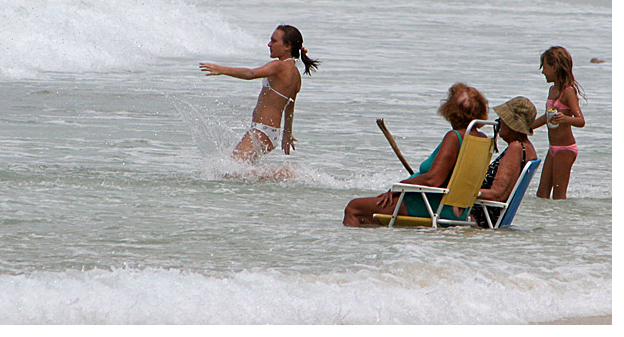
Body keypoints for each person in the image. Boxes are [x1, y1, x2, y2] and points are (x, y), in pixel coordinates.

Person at [343, 83, 489, 227]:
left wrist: (397, 187)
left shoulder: (455, 137)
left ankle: (350, 249)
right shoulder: (482, 140)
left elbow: (433, 180)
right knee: (370, 217)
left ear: (450, 110)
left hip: (431, 206)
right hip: (457, 210)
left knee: (354, 208)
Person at [199, 25, 319, 163]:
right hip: (269, 132)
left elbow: (251, 73)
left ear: (287, 46)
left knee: (232, 169)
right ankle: (280, 176)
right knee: (243, 171)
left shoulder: (279, 66)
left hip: (262, 131)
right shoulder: (296, 75)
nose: (269, 44)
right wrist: (286, 133)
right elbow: (290, 105)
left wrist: (222, 69)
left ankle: (286, 174)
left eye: (274, 41)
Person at [470, 97, 538, 228]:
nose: (499, 122)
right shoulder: (528, 148)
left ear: (511, 124)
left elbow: (498, 194)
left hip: (482, 215)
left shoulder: (516, 148)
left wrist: (463, 193)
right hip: (489, 212)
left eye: (503, 118)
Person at [533, 46, 585, 199]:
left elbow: (580, 120)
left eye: (544, 67)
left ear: (554, 67)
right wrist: (527, 127)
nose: (543, 71)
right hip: (553, 147)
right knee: (541, 194)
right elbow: (546, 117)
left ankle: (561, 222)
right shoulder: (552, 90)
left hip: (565, 148)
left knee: (558, 196)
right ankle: (544, 222)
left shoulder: (568, 91)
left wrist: (566, 119)